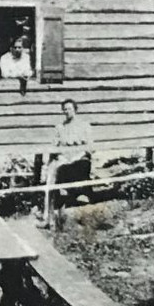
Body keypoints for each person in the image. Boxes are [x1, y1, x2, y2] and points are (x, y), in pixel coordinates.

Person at [43, 98, 94, 230]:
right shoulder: (60, 128)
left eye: (69, 109)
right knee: (51, 174)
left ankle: (53, 216)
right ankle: (48, 216)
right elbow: (54, 147)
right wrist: (57, 157)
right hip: (64, 160)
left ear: (75, 110)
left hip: (79, 160)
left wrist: (75, 155)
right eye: (64, 110)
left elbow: (89, 148)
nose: (67, 112)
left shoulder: (84, 126)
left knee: (65, 171)